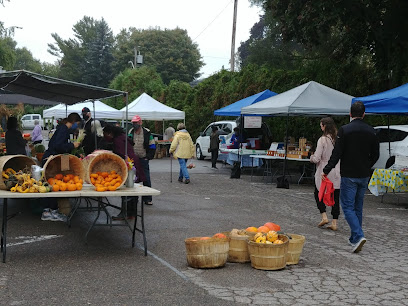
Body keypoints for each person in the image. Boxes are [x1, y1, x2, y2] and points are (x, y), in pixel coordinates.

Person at [322, 101, 379, 253]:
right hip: (364, 174)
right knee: (357, 207)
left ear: (350, 114)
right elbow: (376, 154)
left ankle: (359, 235)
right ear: (364, 114)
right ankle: (354, 238)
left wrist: (326, 169)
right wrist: (367, 165)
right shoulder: (371, 131)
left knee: (347, 206)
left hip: (349, 174)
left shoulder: (345, 130)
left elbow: (337, 153)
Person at [40, 113, 81, 222]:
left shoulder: (62, 129)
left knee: (50, 184)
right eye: (77, 124)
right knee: (53, 184)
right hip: (52, 160)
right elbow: (58, 146)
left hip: (53, 159)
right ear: (73, 122)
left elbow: (60, 147)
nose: (76, 127)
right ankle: (50, 211)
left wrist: (75, 154)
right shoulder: (63, 129)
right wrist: (72, 145)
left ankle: (48, 211)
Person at [102, 124, 146, 219]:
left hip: (129, 164)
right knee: (132, 189)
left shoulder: (118, 140)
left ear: (110, 133)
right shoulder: (122, 136)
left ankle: (126, 213)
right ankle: (131, 213)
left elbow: (121, 155)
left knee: (127, 189)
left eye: (105, 134)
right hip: (133, 162)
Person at [310, 117, 340, 231]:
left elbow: (317, 158)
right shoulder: (337, 138)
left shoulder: (322, 140)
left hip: (325, 169)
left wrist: (311, 158)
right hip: (337, 168)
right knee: (335, 195)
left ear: (324, 126)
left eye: (321, 125)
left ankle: (324, 216)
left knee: (319, 192)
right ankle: (335, 222)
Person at [128, 115, 156, 205]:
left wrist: (148, 156)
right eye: (133, 123)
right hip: (133, 159)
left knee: (146, 178)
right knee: (132, 178)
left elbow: (152, 145)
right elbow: (128, 143)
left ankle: (147, 198)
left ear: (140, 123)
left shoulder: (147, 132)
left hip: (143, 158)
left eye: (136, 122)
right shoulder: (131, 131)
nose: (134, 124)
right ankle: (133, 198)